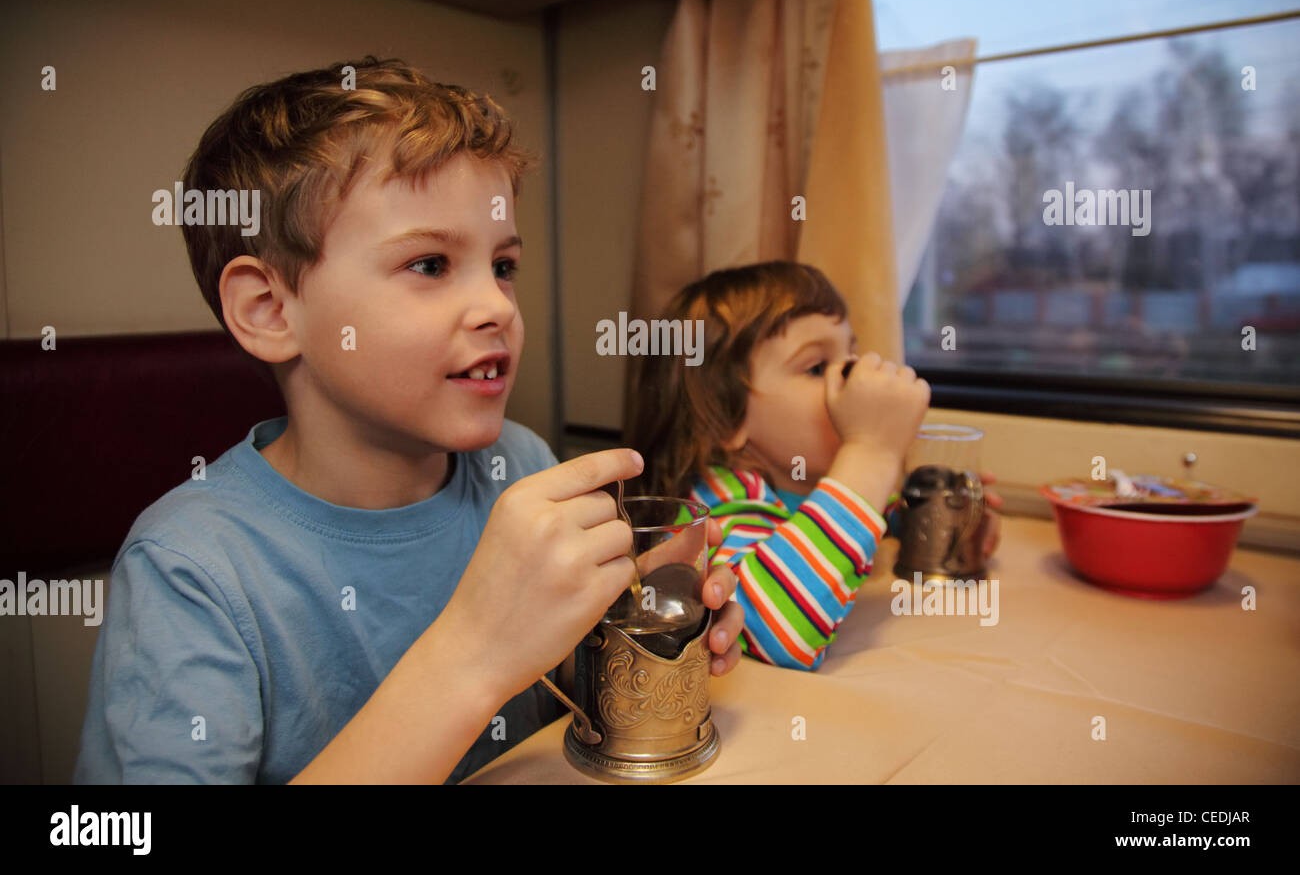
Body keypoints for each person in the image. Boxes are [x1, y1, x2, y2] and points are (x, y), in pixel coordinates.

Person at [73, 57, 744, 784]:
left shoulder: (520, 466)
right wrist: (473, 655)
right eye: (429, 265)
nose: (498, 307)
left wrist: (649, 635)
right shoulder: (192, 569)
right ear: (270, 311)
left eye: (504, 266)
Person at [624, 262, 1001, 671]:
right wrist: (871, 451)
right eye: (818, 367)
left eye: (851, 354)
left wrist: (945, 525)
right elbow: (772, 627)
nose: (851, 376)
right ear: (728, 419)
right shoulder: (716, 508)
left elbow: (876, 520)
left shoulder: (807, 483)